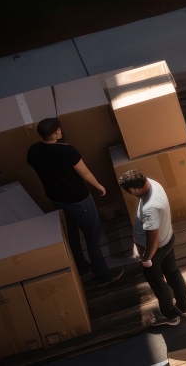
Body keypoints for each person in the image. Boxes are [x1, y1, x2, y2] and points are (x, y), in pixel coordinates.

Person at [27, 117, 122, 284]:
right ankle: (102, 274)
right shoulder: (67, 151)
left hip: (56, 199)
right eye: (58, 129)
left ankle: (82, 269)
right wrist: (99, 186)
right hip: (79, 200)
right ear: (56, 132)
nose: (60, 131)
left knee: (72, 234)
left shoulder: (33, 151)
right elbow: (85, 173)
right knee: (92, 235)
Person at [119, 169, 186, 326]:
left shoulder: (150, 208)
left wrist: (147, 258)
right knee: (172, 271)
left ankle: (170, 315)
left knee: (156, 280)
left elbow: (153, 238)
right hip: (168, 237)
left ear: (135, 189)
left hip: (156, 248)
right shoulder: (153, 183)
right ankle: (185, 307)